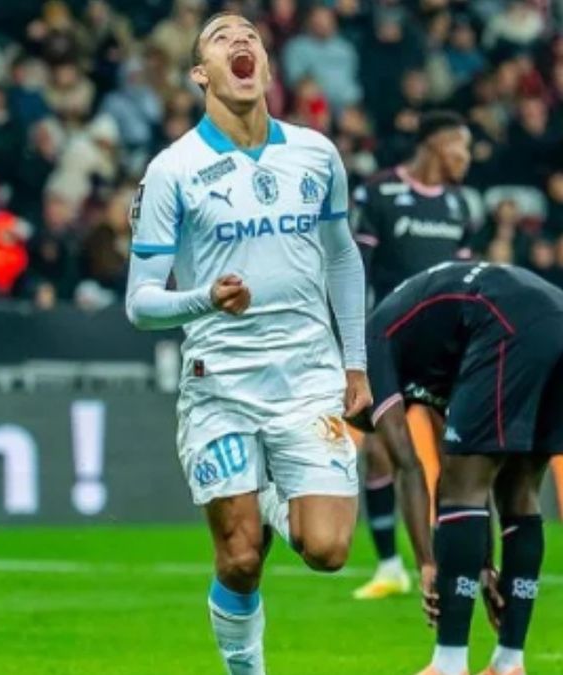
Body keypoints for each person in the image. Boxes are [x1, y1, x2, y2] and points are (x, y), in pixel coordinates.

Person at [124, 12, 369, 674]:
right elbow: (140, 302)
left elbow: (342, 256)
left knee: (328, 550)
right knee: (239, 558)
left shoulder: (315, 154)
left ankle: (264, 491)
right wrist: (204, 297)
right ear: (200, 74)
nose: (240, 42)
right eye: (221, 38)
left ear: (265, 65)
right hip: (222, 387)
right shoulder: (173, 170)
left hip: (308, 379)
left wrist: (355, 363)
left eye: (251, 37)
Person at [349, 261, 562, 675]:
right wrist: (481, 563)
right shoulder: (431, 354)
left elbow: (409, 466)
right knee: (519, 488)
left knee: (460, 488)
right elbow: (469, 462)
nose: (367, 425)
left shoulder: (370, 349)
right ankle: (509, 663)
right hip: (551, 313)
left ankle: (448, 665)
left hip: (502, 318)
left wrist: (426, 563)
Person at [352, 110, 476, 601]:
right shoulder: (379, 193)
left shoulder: (459, 205)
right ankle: (390, 567)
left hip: (446, 348)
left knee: (456, 454)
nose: (466, 158)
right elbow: (356, 270)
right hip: (390, 343)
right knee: (380, 452)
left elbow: (467, 280)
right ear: (436, 145)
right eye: (461, 147)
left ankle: (453, 556)